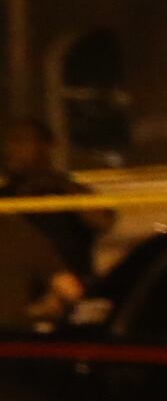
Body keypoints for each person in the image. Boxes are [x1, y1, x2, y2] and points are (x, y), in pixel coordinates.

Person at [2, 119, 107, 289]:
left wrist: (60, 188)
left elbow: (103, 221)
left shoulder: (68, 191)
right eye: (9, 142)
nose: (12, 149)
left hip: (70, 289)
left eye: (21, 141)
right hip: (20, 297)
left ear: (45, 146)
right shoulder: (6, 197)